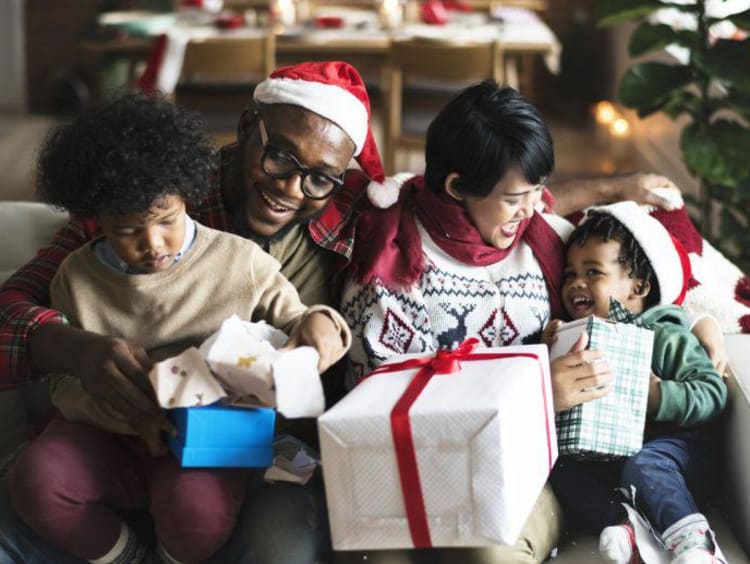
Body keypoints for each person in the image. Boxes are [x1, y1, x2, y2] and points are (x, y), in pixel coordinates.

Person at [0, 59, 706, 563]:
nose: (291, 188)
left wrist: (622, 195)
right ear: (248, 129)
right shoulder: (148, 203)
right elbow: (18, 307)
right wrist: (70, 349)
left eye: (319, 176)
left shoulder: (353, 218)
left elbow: (495, 196)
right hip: (154, 434)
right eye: (278, 157)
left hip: (278, 448)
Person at [342, 81, 726, 562]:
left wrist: (699, 319)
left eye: (538, 191)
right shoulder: (390, 269)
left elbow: (643, 280)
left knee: (488, 555)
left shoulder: (544, 239)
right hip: (411, 471)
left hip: (526, 466)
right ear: (458, 187)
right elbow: (376, 419)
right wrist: (537, 393)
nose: (533, 209)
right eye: (515, 198)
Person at [8, 92, 351, 564]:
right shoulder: (76, 275)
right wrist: (127, 413)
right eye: (127, 231)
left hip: (207, 433)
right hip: (108, 436)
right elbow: (64, 386)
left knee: (197, 515)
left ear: (188, 194)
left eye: (166, 221)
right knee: (36, 482)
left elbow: (296, 315)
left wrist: (321, 325)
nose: (152, 245)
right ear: (96, 219)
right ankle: (130, 557)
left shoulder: (240, 260)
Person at [544, 203, 727, 564]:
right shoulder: (578, 334)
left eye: (593, 271)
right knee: (558, 467)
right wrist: (550, 347)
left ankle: (696, 546)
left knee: (646, 464)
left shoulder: (662, 333)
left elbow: (712, 392)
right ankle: (623, 522)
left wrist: (658, 395)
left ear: (639, 286)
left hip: (676, 453)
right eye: (569, 274)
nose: (576, 283)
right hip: (613, 457)